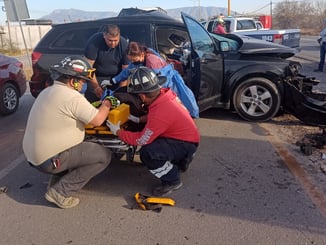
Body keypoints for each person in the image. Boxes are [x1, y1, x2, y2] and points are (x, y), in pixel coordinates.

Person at [23, 56, 114, 209]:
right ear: (73, 81)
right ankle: (60, 192)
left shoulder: (48, 91)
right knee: (102, 156)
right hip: (49, 159)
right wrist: (108, 103)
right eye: (83, 81)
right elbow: (98, 120)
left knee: (81, 146)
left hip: (34, 156)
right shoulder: (71, 97)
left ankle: (56, 181)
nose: (83, 84)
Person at [106, 67, 200, 196]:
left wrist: (118, 132)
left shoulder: (160, 112)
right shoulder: (166, 95)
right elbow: (157, 116)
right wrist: (139, 119)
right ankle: (182, 160)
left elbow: (141, 139)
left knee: (148, 153)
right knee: (156, 143)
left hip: (184, 143)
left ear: (142, 95)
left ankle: (172, 180)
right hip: (188, 138)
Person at [108, 41, 199, 119]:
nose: (132, 61)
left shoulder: (152, 61)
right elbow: (128, 70)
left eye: (133, 59)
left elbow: (155, 84)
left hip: (167, 84)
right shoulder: (138, 60)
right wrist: (114, 80)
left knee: (175, 107)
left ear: (141, 54)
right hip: (158, 83)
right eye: (131, 60)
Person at [84, 24, 129, 102]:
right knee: (94, 100)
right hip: (96, 77)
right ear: (104, 35)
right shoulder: (95, 41)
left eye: (116, 40)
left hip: (116, 77)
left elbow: (125, 71)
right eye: (110, 40)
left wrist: (121, 91)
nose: (113, 44)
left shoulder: (124, 44)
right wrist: (95, 87)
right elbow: (88, 67)